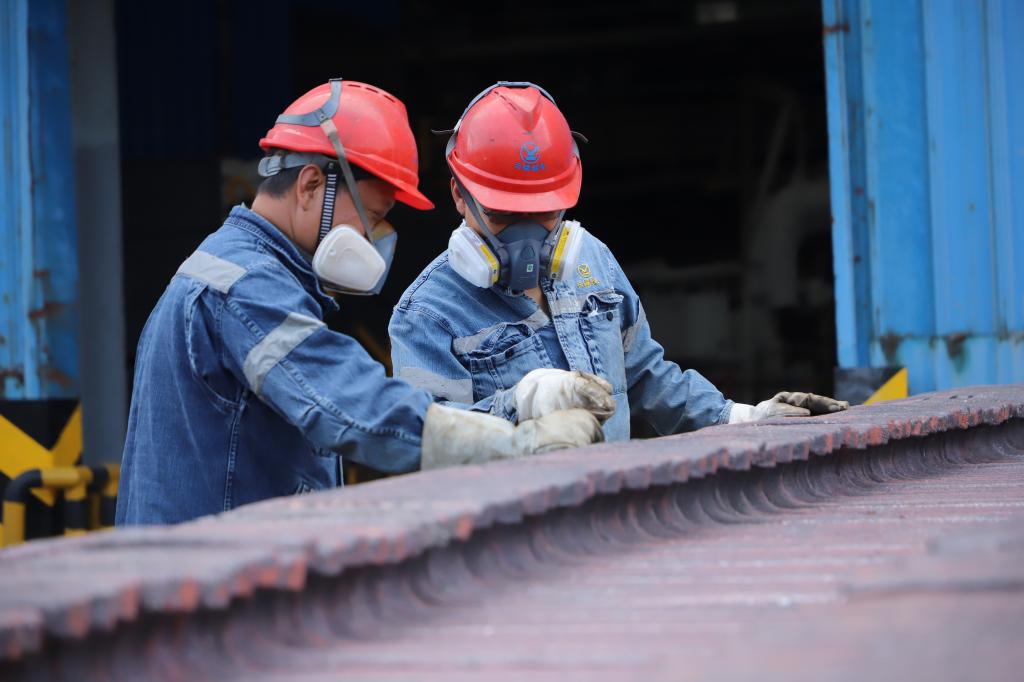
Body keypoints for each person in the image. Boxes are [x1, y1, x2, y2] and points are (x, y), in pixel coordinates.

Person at [116, 79, 612, 526]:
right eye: (373, 218)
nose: (376, 239)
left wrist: (521, 403)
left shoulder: (243, 272)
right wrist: (521, 444)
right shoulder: (245, 288)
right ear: (311, 185)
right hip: (207, 586)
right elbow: (352, 406)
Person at [389, 81, 848, 441]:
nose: (526, 235)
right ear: (459, 194)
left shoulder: (593, 262)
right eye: (504, 212)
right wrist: (521, 405)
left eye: (544, 212)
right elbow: (428, 439)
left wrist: (741, 418)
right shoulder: (427, 315)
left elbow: (646, 376)